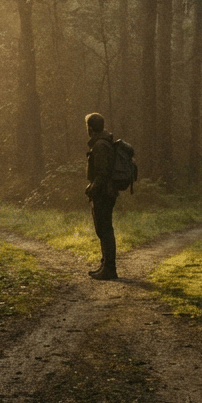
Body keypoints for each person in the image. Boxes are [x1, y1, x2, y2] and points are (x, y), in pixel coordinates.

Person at [84, 112, 118, 280]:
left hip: (104, 193)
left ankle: (109, 268)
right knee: (103, 229)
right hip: (105, 192)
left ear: (90, 128)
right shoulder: (103, 143)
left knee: (105, 229)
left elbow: (102, 174)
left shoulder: (100, 146)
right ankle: (105, 265)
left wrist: (92, 188)